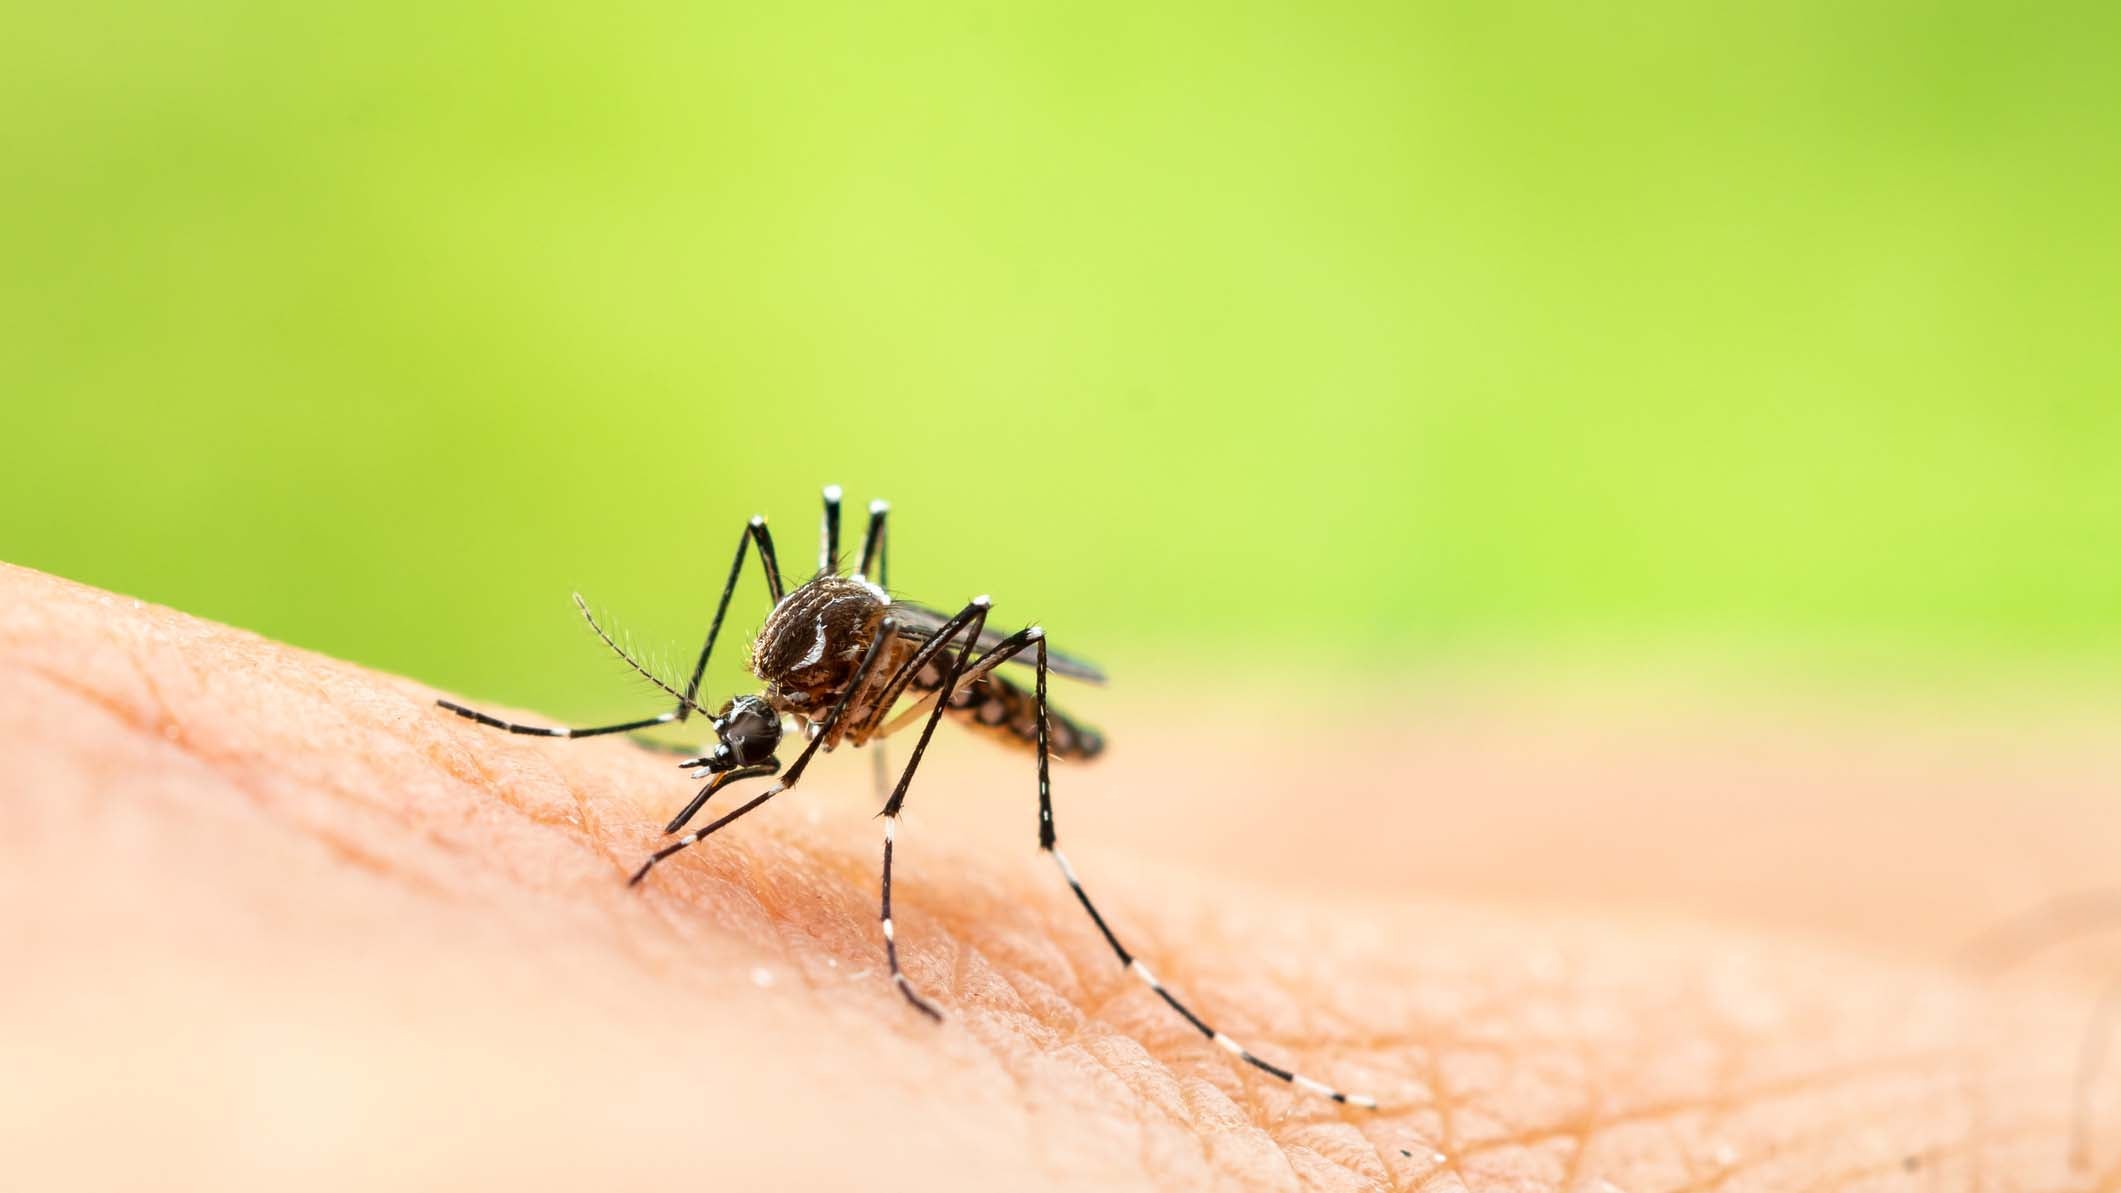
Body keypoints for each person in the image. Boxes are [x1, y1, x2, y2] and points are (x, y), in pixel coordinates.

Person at [2, 561, 2110, 1191]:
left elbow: (877, 666)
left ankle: (1001, 912)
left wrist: (896, 869)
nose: (739, 755)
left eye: (743, 735)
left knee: (900, 683)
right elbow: (792, 657)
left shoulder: (876, 700)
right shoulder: (783, 685)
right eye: (748, 732)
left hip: (989, 697)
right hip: (881, 661)